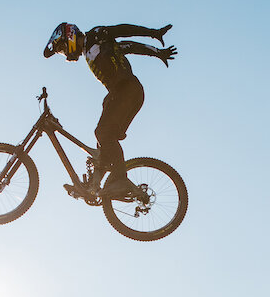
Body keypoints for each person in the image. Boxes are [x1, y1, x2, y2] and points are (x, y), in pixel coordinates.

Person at [42, 22, 176, 198]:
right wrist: (156, 52)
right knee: (103, 143)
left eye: (61, 48)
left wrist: (152, 33)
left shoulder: (97, 35)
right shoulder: (89, 51)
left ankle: (120, 179)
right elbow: (128, 47)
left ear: (69, 37)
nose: (64, 53)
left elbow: (122, 30)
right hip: (121, 93)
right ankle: (93, 185)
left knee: (103, 132)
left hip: (127, 90)